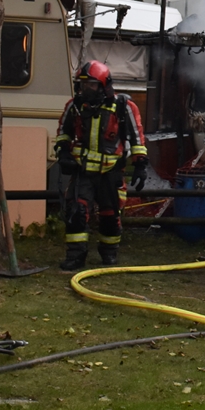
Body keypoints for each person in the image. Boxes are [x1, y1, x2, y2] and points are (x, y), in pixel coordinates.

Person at [53, 61, 148, 270]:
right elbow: (63, 132)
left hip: (111, 173)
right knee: (76, 212)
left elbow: (137, 137)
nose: (86, 89)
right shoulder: (74, 106)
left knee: (110, 215)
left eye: (92, 85)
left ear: (105, 85)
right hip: (83, 172)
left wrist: (140, 164)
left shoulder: (124, 106)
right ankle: (75, 256)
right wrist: (64, 152)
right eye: (83, 84)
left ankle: (109, 253)